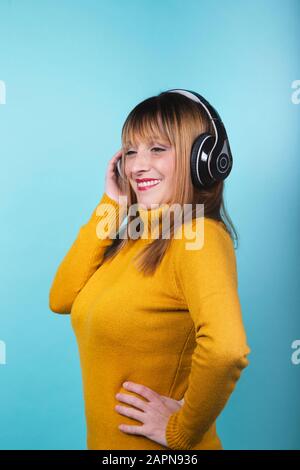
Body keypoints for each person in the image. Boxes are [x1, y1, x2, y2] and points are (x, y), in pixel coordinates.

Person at [49, 89, 251, 450]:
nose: (137, 165)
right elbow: (61, 298)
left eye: (157, 148)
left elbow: (227, 350)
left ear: (201, 159)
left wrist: (181, 431)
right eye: (130, 151)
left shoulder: (197, 235)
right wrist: (111, 205)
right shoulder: (134, 237)